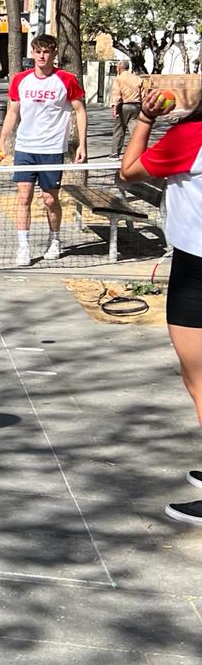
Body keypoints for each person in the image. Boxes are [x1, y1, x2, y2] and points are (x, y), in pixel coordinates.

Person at [121, 86, 202, 525]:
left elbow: (129, 171)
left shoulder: (191, 136)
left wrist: (146, 119)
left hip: (197, 269)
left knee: (200, 380)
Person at [0, 32, 88, 266]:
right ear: (33, 53)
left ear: (54, 54)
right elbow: (12, 112)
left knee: (49, 199)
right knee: (23, 197)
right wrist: (1, 141)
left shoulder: (66, 79)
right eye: (38, 52)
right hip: (25, 148)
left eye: (46, 52)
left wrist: (82, 144)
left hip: (52, 149)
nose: (42, 56)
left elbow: (79, 111)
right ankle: (23, 247)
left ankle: (54, 240)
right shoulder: (20, 80)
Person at [110, 59, 144, 159]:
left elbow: (116, 94)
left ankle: (115, 153)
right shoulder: (137, 79)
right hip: (136, 106)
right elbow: (143, 94)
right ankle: (138, 152)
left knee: (119, 130)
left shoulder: (119, 79)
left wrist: (115, 106)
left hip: (123, 106)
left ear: (119, 68)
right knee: (135, 130)